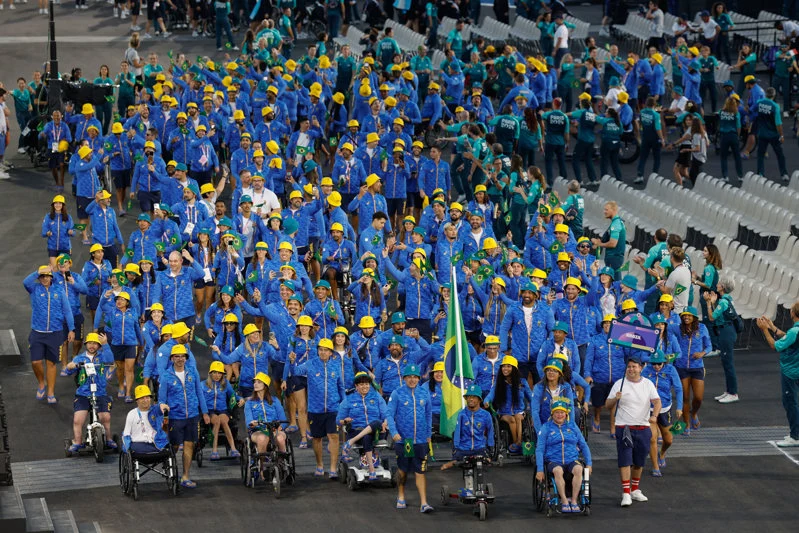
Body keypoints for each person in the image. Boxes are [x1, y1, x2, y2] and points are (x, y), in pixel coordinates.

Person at [605, 355, 661, 507]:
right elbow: (608, 405)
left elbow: (657, 401)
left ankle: (635, 489)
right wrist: (615, 399)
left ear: (641, 368)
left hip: (643, 427)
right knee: (625, 460)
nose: (631, 369)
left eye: (634, 367)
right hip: (624, 427)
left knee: (639, 461)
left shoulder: (648, 384)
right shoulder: (619, 384)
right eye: (629, 367)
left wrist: (654, 416)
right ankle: (626, 493)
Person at [158, 344, 210, 489]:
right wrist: (163, 409)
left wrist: (204, 412)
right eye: (177, 356)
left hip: (192, 415)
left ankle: (185, 475)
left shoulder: (192, 372)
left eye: (182, 356)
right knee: (174, 446)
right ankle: (169, 465)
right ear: (172, 358)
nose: (180, 359)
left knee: (189, 444)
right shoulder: (166, 376)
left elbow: (199, 392)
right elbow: (161, 399)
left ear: (186, 358)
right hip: (175, 416)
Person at [291, 337, 345, 478]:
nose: (322, 352)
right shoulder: (310, 364)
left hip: (333, 408)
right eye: (320, 350)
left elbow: (341, 387)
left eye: (325, 350)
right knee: (317, 438)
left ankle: (333, 468)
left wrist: (343, 406)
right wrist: (292, 362)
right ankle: (319, 465)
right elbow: (296, 371)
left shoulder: (336, 365)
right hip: (315, 409)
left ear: (331, 352)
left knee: (334, 436)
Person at [24, 265, 75, 404]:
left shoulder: (59, 290)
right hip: (37, 332)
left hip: (55, 332)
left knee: (51, 364)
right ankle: (42, 383)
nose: (44, 279)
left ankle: (51, 392)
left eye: (47, 276)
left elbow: (67, 311)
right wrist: (37, 271)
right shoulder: (34, 289)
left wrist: (71, 329)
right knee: (35, 362)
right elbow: (25, 282)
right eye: (42, 276)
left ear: (51, 277)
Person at [387, 363, 433, 512]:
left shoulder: (424, 393)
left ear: (419, 378)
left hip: (420, 440)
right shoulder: (397, 393)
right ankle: (401, 496)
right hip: (405, 440)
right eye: (409, 377)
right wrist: (394, 432)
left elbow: (428, 415)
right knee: (403, 470)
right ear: (404, 378)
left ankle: (424, 502)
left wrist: (428, 435)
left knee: (420, 470)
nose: (412, 380)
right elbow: (389, 415)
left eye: (415, 377)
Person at [535, 397, 592, 513]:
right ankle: (565, 501)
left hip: (571, 459)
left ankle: (575, 500)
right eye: (557, 412)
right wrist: (540, 469)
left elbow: (583, 445)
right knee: (558, 471)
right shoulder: (546, 428)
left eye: (562, 412)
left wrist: (589, 463)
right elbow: (539, 449)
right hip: (553, 460)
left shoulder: (572, 426)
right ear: (552, 414)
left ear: (566, 414)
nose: (559, 415)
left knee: (579, 469)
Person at [63, 332, 117, 454]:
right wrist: (70, 366)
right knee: (78, 419)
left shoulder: (102, 357)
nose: (92, 346)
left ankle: (108, 439)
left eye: (95, 344)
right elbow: (68, 371)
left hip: (100, 392)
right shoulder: (79, 358)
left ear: (98, 346)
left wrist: (106, 344)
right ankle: (77, 441)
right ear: (86, 344)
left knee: (105, 417)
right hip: (83, 393)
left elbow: (110, 360)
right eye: (90, 343)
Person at [756, 301, 799, 447]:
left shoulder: (795, 331)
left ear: (793, 313)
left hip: (791, 372)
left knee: (790, 403)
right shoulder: (795, 331)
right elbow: (788, 337)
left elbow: (774, 345)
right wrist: (772, 327)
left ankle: (795, 436)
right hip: (796, 370)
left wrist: (764, 330)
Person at [338, 371, 389, 480]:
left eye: (366, 384)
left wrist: (385, 422)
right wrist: (345, 421)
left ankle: (350, 443)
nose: (364, 386)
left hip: (377, 432)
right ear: (356, 386)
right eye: (361, 384)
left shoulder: (376, 396)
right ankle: (371, 468)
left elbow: (386, 414)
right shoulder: (349, 400)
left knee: (376, 423)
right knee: (367, 436)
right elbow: (339, 420)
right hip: (356, 430)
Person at [642, 350, 683, 477]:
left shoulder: (671, 370)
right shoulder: (645, 370)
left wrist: (679, 407)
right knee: (652, 438)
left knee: (669, 440)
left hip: (665, 409)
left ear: (664, 362)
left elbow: (679, 389)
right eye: (654, 364)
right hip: (649, 410)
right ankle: (655, 467)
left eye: (659, 364)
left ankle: (662, 453)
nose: (656, 366)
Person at [439, 384, 494, 475]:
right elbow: (457, 432)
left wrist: (491, 446)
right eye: (469, 397)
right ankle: (452, 462)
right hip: (463, 448)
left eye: (473, 397)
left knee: (487, 463)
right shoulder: (462, 414)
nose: (471, 399)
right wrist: (456, 448)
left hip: (479, 448)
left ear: (479, 399)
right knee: (457, 463)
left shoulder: (486, 415)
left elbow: (491, 431)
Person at [485, 355, 534, 454]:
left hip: (519, 411)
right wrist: (486, 400)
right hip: (503, 413)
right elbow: (491, 394)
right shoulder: (499, 382)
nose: (505, 368)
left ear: (514, 368)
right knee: (512, 419)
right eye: (503, 366)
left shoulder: (522, 382)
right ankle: (516, 442)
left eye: (508, 366)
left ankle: (519, 442)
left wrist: (533, 412)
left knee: (517, 416)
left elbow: (531, 398)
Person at [674, 306, 711, 434]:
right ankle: (686, 424)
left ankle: (693, 413)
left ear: (694, 317)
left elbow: (709, 346)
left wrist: (702, 353)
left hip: (697, 367)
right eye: (684, 315)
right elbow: (662, 328)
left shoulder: (702, 328)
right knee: (685, 397)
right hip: (681, 366)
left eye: (689, 315)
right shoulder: (678, 329)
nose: (686, 317)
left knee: (698, 398)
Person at [704, 278, 739, 404]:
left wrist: (709, 303)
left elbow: (712, 317)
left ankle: (733, 392)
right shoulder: (728, 299)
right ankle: (729, 390)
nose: (716, 284)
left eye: (719, 283)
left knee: (728, 363)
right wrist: (713, 303)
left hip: (726, 332)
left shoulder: (723, 302)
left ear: (722, 287)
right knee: (726, 362)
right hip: (727, 330)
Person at [202, 361, 244, 460]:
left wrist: (240, 399)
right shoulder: (203, 385)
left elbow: (233, 395)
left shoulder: (226, 384)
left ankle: (233, 449)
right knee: (216, 421)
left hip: (223, 410)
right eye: (215, 372)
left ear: (222, 374)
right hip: (210, 411)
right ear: (210, 373)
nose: (217, 375)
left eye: (219, 373)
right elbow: (199, 398)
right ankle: (214, 450)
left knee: (224, 420)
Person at [245, 372, 288, 466]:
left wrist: (280, 427)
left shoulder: (275, 401)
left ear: (265, 386)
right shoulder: (249, 403)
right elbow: (248, 421)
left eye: (259, 382)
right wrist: (253, 423)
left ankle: (282, 462)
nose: (255, 384)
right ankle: (262, 466)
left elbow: (283, 419)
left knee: (280, 438)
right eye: (255, 382)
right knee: (262, 438)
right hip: (258, 431)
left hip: (274, 429)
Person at [122, 384, 170, 454]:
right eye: (142, 398)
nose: (145, 400)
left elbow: (160, 407)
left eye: (147, 397)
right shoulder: (131, 414)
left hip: (157, 444)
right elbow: (126, 434)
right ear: (137, 400)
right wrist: (127, 449)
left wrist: (163, 405)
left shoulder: (155, 410)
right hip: (138, 445)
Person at [591, 201, 626, 279]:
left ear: (613, 210)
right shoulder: (617, 222)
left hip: (614, 257)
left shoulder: (616, 224)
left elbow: (613, 243)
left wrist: (599, 244)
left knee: (614, 282)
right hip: (613, 257)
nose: (604, 212)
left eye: (606, 210)